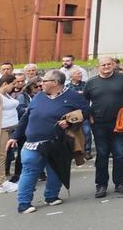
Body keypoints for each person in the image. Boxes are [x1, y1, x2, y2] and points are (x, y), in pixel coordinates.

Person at [8, 70, 89, 214]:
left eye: (44, 81)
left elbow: (86, 112)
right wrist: (15, 136)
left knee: (56, 170)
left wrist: (69, 121)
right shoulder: (39, 96)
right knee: (29, 172)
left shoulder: (73, 96)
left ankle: (51, 197)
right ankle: (24, 203)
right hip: (32, 143)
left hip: (58, 142)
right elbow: (25, 118)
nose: (40, 84)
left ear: (55, 83)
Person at [83, 56, 123, 198]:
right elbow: (84, 101)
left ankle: (120, 183)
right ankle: (101, 185)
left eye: (108, 64)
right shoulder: (91, 82)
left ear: (113, 65)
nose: (106, 67)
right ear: (98, 67)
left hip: (119, 123)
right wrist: (89, 115)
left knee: (119, 154)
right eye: (103, 65)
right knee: (102, 154)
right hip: (99, 124)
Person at [0, 74, 20, 193]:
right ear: (5, 84)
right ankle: (1, 182)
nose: (15, 86)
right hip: (0, 130)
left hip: (9, 129)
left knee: (1, 155)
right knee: (0, 156)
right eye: (13, 84)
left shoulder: (5, 95)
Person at [65, 69, 92, 160]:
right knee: (74, 134)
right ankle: (76, 151)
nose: (80, 75)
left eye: (80, 73)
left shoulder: (86, 85)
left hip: (84, 112)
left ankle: (87, 150)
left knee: (87, 132)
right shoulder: (67, 87)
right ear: (71, 76)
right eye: (77, 73)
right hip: (73, 114)